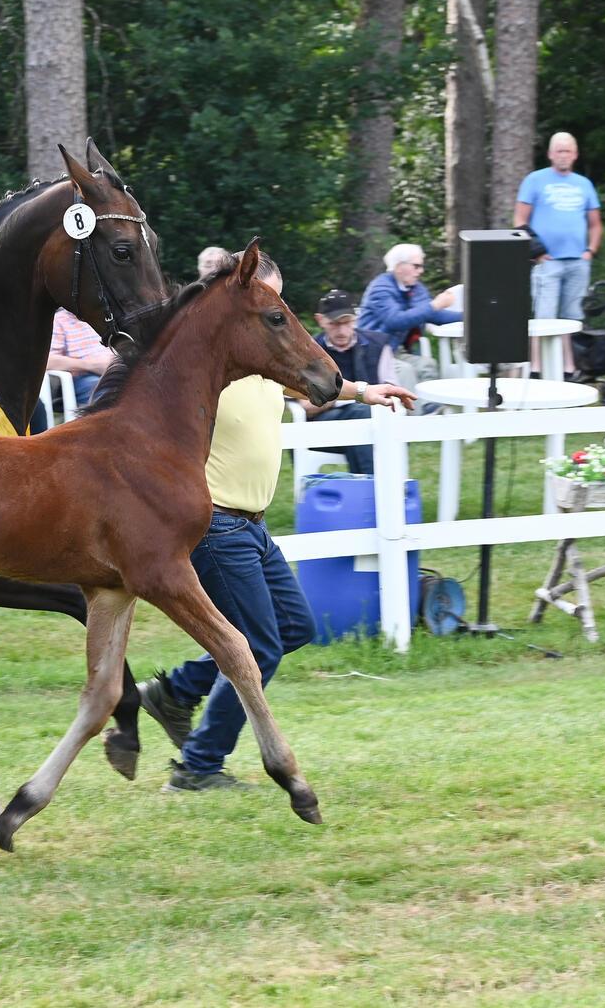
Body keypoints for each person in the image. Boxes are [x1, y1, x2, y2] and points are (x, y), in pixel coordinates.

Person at [137, 252, 416, 793]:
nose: (280, 312)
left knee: (293, 628)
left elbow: (311, 382)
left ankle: (176, 690)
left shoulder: (265, 363)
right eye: (272, 303)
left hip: (254, 526)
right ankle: (197, 767)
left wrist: (369, 392)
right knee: (260, 647)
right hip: (216, 525)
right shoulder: (207, 370)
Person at [514, 132, 602, 375]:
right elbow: (520, 220)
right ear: (551, 154)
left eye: (568, 151)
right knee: (544, 316)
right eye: (559, 151)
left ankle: (568, 367)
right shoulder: (535, 180)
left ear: (575, 154)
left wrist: (590, 251)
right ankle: (536, 367)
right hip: (548, 262)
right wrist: (538, 253)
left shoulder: (584, 184)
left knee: (572, 317)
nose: (563, 155)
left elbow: (595, 223)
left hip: (578, 261)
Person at [298, 290, 400, 475]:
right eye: (335, 324)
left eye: (347, 323)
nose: (342, 331)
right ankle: (377, 487)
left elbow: (392, 392)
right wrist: (343, 397)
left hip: (374, 422)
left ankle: (365, 488)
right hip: (324, 427)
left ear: (356, 319)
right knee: (361, 414)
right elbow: (306, 406)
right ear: (320, 320)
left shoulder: (378, 345)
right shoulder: (309, 352)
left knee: (363, 421)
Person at [357, 242, 460, 387]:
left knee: (427, 365)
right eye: (416, 266)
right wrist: (435, 305)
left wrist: (468, 316)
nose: (421, 271)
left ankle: (431, 407)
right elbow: (395, 320)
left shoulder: (415, 288)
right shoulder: (380, 289)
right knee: (405, 371)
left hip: (394, 350)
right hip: (373, 353)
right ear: (399, 267)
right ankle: (414, 409)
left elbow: (433, 315)